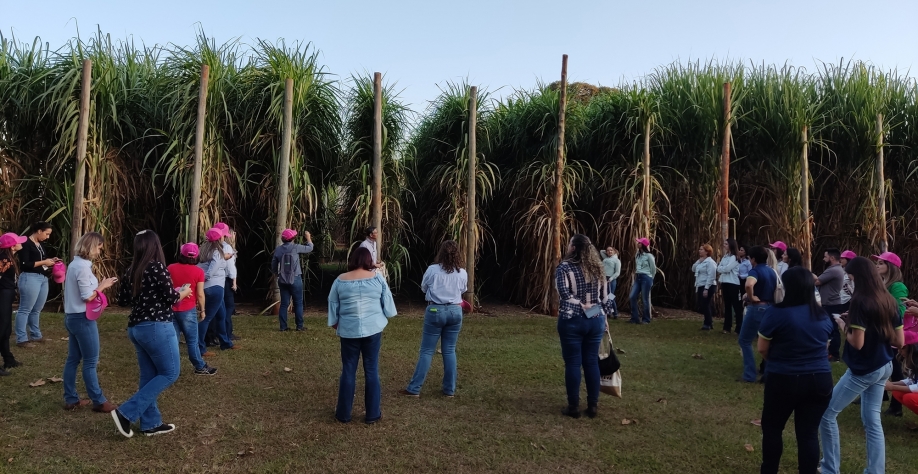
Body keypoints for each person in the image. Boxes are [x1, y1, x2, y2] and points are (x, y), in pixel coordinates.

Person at [819, 256, 904, 474]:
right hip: (884, 365)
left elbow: (857, 343)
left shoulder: (860, 301)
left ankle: (830, 468)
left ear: (860, 278)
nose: (850, 283)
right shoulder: (888, 300)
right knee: (872, 421)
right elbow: (899, 341)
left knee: (827, 414)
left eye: (851, 278)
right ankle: (875, 471)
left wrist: (842, 325)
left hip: (864, 368)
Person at [112, 229, 193, 438]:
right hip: (157, 326)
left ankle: (150, 423)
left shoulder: (131, 270)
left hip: (136, 327)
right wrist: (183, 292)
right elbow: (171, 298)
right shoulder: (157, 267)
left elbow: (122, 300)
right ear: (155, 245)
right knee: (170, 373)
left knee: (149, 376)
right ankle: (126, 413)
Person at [756, 266, 835, 474]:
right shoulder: (823, 315)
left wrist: (777, 360)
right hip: (819, 379)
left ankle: (769, 470)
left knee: (773, 428)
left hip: (784, 377)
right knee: (808, 433)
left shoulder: (776, 312)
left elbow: (762, 348)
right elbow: (824, 345)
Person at [328, 247, 396, 424]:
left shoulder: (340, 280)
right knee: (371, 369)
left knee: (348, 370)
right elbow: (388, 304)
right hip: (373, 328)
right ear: (368, 260)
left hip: (349, 330)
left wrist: (336, 322)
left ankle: (343, 414)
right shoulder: (377, 279)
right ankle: (372, 414)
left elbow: (333, 303)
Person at [554, 234, 614, 418]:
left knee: (573, 362)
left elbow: (563, 294)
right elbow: (608, 297)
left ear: (573, 248)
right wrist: (601, 314)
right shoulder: (598, 268)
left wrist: (580, 305)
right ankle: (593, 405)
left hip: (572, 319)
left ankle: (573, 406)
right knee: (591, 362)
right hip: (595, 319)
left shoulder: (564, 268)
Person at [399, 240, 467, 398]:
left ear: (441, 253)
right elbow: (464, 289)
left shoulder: (432, 270)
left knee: (427, 351)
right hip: (456, 310)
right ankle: (449, 390)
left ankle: (414, 388)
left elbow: (424, 287)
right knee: (449, 350)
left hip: (435, 309)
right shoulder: (462, 272)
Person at [62, 232, 118, 412]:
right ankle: (99, 400)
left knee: (73, 359)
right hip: (83, 319)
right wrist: (103, 285)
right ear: (91, 246)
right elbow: (87, 297)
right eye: (99, 248)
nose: (100, 252)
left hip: (72, 316)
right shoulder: (83, 268)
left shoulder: (74, 264)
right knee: (90, 361)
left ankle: (71, 398)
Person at [167, 243, 217, 376]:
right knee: (192, 340)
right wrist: (203, 310)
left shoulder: (170, 267)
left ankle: (170, 367)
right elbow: (200, 294)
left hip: (171, 308)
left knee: (173, 340)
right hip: (188, 310)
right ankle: (199, 366)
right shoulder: (198, 272)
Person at [15, 222, 60, 347]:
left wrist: (49, 262)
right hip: (30, 277)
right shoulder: (26, 244)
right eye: (47, 234)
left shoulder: (40, 245)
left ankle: (36, 335)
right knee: (25, 309)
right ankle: (21, 338)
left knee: (37, 309)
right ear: (39, 231)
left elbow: (41, 263)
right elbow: (25, 264)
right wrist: (44, 262)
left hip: (42, 278)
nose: (47, 237)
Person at [874, 251, 908, 417]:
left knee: (894, 368)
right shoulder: (882, 284)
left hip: (893, 334)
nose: (877, 266)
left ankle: (896, 406)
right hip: (884, 331)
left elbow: (900, 310)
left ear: (891, 267)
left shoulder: (897, 287)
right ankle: (883, 397)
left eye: (881, 263)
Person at [738, 246, 777, 383]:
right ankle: (768, 374)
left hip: (757, 308)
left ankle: (749, 374)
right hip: (770, 308)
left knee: (744, 340)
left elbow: (749, 285)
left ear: (752, 259)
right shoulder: (772, 271)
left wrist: (751, 296)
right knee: (769, 341)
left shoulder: (755, 271)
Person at [197, 228, 235, 355]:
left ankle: (225, 342)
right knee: (206, 318)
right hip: (215, 287)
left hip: (207, 288)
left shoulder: (203, 249)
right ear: (219, 239)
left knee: (221, 315)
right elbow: (211, 271)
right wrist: (204, 278)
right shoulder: (218, 252)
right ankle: (200, 347)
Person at [271, 229, 314, 331]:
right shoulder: (296, 247)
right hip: (295, 278)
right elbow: (310, 248)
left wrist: (276, 274)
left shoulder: (278, 250)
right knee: (298, 302)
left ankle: (283, 326)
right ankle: (299, 326)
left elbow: (273, 264)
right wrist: (308, 238)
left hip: (282, 279)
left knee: (284, 304)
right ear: (292, 239)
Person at [0, 233, 25, 374]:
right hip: (3, 295)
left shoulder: (9, 258)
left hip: (7, 294)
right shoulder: (4, 260)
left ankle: (8, 358)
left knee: (6, 329)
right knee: (2, 328)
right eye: (18, 241)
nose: (21, 243)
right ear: (12, 245)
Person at [815, 248, 846, 363]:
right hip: (831, 303)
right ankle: (831, 353)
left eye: (825, 257)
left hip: (830, 304)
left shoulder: (833, 270)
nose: (824, 259)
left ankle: (834, 354)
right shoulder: (835, 269)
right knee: (832, 328)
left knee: (832, 329)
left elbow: (817, 281)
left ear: (832, 258)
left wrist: (809, 275)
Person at [885, 333, 918, 419]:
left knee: (909, 398)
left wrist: (892, 386)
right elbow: (912, 380)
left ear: (912, 348)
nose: (899, 351)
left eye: (902, 348)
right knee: (897, 392)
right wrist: (892, 384)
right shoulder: (913, 360)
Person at [717, 239, 742, 335]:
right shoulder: (725, 256)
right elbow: (719, 267)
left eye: (726, 244)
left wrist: (722, 268)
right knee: (727, 305)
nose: (724, 245)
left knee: (736, 306)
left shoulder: (734, 257)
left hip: (733, 283)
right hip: (725, 282)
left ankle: (739, 327)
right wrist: (722, 268)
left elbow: (727, 268)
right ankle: (727, 327)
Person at [629, 237, 656, 325]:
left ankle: (646, 319)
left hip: (646, 278)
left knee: (645, 299)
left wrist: (651, 279)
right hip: (638, 277)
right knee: (632, 296)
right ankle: (635, 318)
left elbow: (653, 269)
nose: (638, 244)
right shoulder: (638, 254)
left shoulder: (649, 256)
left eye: (639, 243)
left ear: (643, 245)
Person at [693, 244, 717, 331]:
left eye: (701, 249)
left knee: (705, 304)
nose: (699, 251)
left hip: (708, 285)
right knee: (703, 304)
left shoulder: (710, 262)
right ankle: (708, 322)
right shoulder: (701, 261)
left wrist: (706, 289)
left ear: (707, 252)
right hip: (700, 284)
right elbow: (693, 269)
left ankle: (707, 323)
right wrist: (698, 261)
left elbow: (711, 276)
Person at [220, 224, 238, 340]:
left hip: (216, 280)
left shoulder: (209, 246)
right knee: (229, 306)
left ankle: (216, 333)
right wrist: (234, 282)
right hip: (225, 279)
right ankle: (227, 332)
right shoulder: (227, 248)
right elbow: (231, 268)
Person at [734, 245, 752, 334]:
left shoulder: (748, 262)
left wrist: (741, 276)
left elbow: (750, 273)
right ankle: (738, 325)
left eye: (741, 250)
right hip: (737, 282)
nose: (739, 251)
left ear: (745, 252)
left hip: (744, 282)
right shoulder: (737, 260)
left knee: (744, 302)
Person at [600, 247, 621, 318]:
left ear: (614, 251)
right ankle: (607, 312)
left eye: (611, 250)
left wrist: (611, 278)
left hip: (610, 279)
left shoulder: (616, 260)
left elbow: (617, 272)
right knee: (602, 296)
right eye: (608, 250)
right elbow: (601, 251)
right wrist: (607, 252)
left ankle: (615, 313)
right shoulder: (606, 259)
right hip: (603, 278)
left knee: (610, 296)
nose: (609, 251)